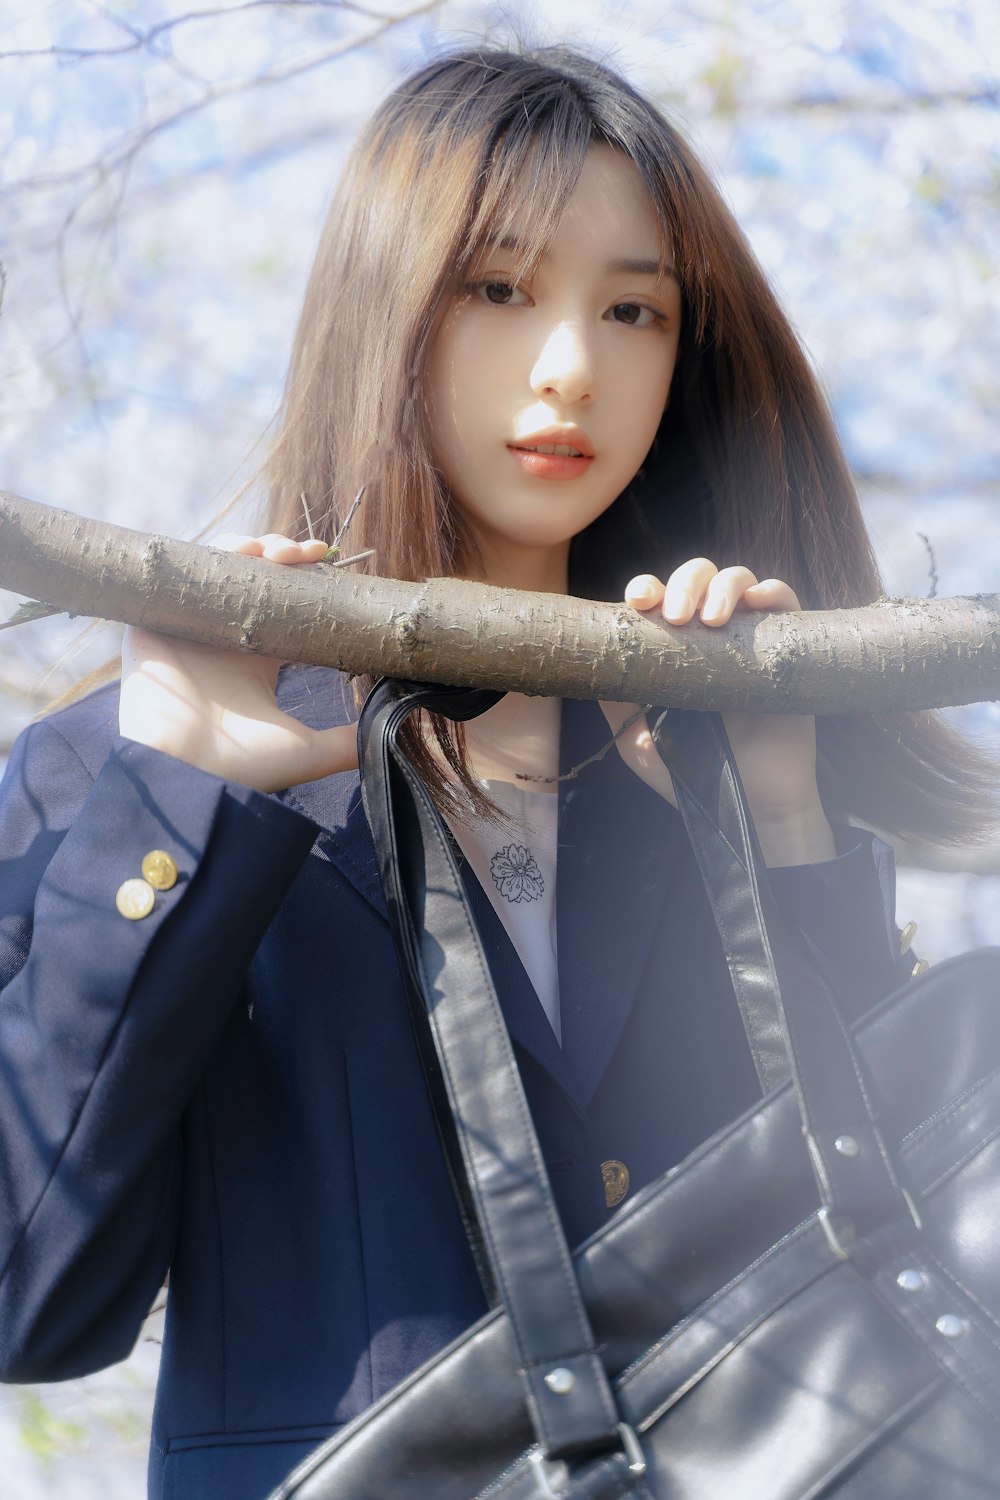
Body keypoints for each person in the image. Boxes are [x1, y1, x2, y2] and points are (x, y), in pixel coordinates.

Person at [0, 45, 994, 1500]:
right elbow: (31, 1299)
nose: (572, 366)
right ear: (384, 305)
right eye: (499, 288)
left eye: (635, 308)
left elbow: (889, 1205)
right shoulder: (122, 771)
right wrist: (184, 791)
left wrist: (782, 816)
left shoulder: (711, 757)